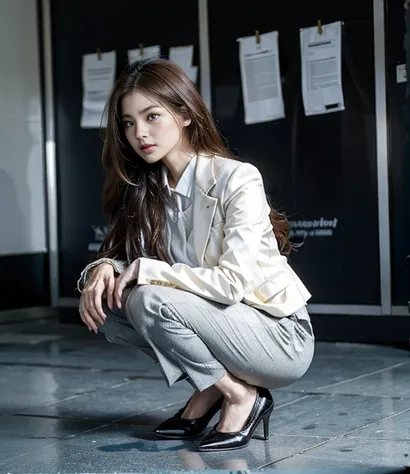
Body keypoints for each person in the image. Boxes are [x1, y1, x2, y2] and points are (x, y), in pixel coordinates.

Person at [77, 58, 314, 452]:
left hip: (278, 336)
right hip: (222, 327)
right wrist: (103, 267)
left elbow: (230, 284)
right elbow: (129, 258)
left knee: (149, 296)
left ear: (185, 114)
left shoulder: (237, 178)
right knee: (112, 302)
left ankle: (240, 397)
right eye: (129, 123)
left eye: (153, 116)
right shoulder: (146, 188)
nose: (140, 133)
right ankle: (215, 388)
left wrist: (147, 271)